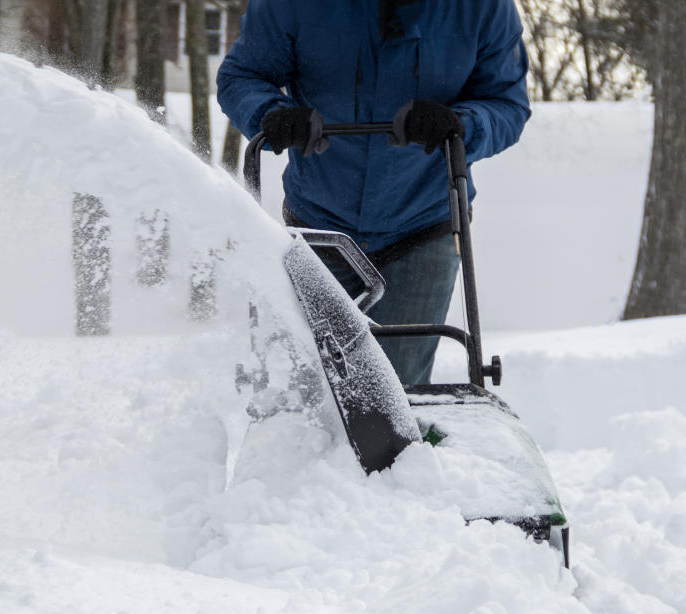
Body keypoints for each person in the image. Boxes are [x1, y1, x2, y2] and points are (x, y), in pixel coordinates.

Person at [217, 0, 531, 386]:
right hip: (318, 223)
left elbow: (506, 104)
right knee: (308, 389)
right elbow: (243, 76)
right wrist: (271, 113)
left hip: (422, 222)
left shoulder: (482, 8)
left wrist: (460, 124)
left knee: (396, 393)